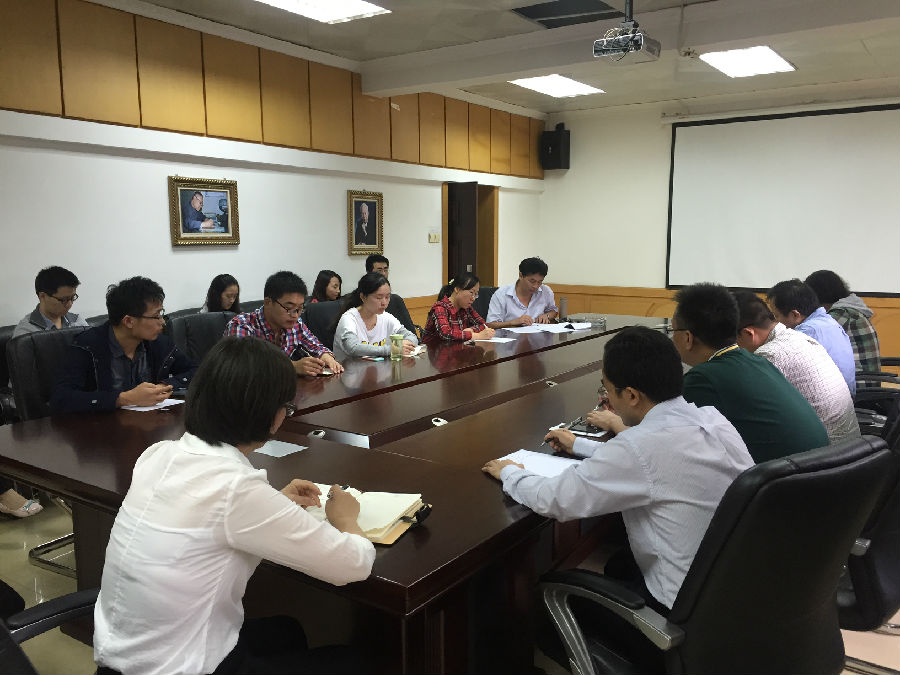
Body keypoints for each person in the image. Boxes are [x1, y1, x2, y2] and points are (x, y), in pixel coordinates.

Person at [93, 337, 374, 675]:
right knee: (355, 662)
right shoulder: (236, 488)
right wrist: (347, 520)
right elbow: (352, 566)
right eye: (287, 407)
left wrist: (274, 503)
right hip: (182, 667)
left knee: (286, 631)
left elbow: (206, 514)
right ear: (272, 415)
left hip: (127, 656)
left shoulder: (159, 454)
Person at [482, 327, 753, 666]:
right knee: (618, 565)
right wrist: (580, 445)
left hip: (680, 620)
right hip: (733, 598)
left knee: (537, 609)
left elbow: (556, 499)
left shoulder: (640, 448)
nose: (606, 398)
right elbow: (652, 465)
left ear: (632, 395)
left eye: (607, 390)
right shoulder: (713, 420)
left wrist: (510, 472)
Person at [672, 283, 827, 463]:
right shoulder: (758, 362)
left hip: (788, 477)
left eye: (672, 330)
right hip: (824, 468)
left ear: (688, 338)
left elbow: (670, 436)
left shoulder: (704, 379)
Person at [51, 277, 197, 414]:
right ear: (128, 321)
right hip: (101, 427)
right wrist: (123, 399)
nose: (162, 322)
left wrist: (163, 386)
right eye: (156, 316)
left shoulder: (159, 343)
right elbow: (61, 399)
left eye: (161, 313)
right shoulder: (87, 346)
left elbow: (196, 371)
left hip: (150, 423)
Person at [733, 291, 859, 444]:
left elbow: (751, 413)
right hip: (851, 447)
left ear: (748, 333)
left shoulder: (769, 354)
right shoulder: (798, 337)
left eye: (734, 342)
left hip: (827, 451)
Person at [224, 271, 344, 376]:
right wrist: (292, 366)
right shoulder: (241, 325)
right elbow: (244, 368)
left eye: (300, 308)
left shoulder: (296, 323)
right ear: (268, 302)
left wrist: (325, 357)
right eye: (289, 308)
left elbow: (315, 345)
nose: (295, 315)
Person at [767, 279, 856, 395]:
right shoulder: (828, 321)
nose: (775, 321)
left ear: (795, 315)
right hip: (845, 398)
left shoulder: (806, 332)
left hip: (832, 400)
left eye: (776, 316)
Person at [805, 270, 881, 374]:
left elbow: (807, 340)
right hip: (867, 378)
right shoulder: (851, 310)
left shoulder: (841, 315)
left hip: (858, 380)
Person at [332, 273, 418, 362]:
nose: (384, 303)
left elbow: (411, 336)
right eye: (379, 297)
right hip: (349, 369)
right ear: (363, 297)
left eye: (387, 297)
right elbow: (353, 347)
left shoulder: (386, 317)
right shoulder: (349, 319)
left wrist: (406, 345)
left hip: (379, 368)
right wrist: (393, 349)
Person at [13, 265, 89, 337]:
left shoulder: (77, 322)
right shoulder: (26, 333)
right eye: (63, 300)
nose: (70, 304)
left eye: (73, 297)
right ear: (42, 296)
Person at [486, 257, 558, 327]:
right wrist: (512, 322)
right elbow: (491, 324)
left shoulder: (546, 291)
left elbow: (553, 311)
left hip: (538, 333)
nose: (536, 286)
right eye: (532, 281)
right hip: (510, 334)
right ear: (520, 275)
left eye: (540, 282)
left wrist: (547, 316)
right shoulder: (501, 294)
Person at [422, 273, 495, 342]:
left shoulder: (467, 308)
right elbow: (446, 333)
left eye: (476, 294)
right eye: (471, 292)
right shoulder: (440, 308)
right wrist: (476, 335)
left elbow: (483, 324)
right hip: (434, 349)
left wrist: (471, 330)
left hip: (455, 348)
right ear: (457, 289)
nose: (473, 298)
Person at [364, 254, 416, 335]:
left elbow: (410, 331)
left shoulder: (395, 300)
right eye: (379, 270)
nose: (383, 274)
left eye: (385, 270)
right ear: (369, 272)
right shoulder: (362, 299)